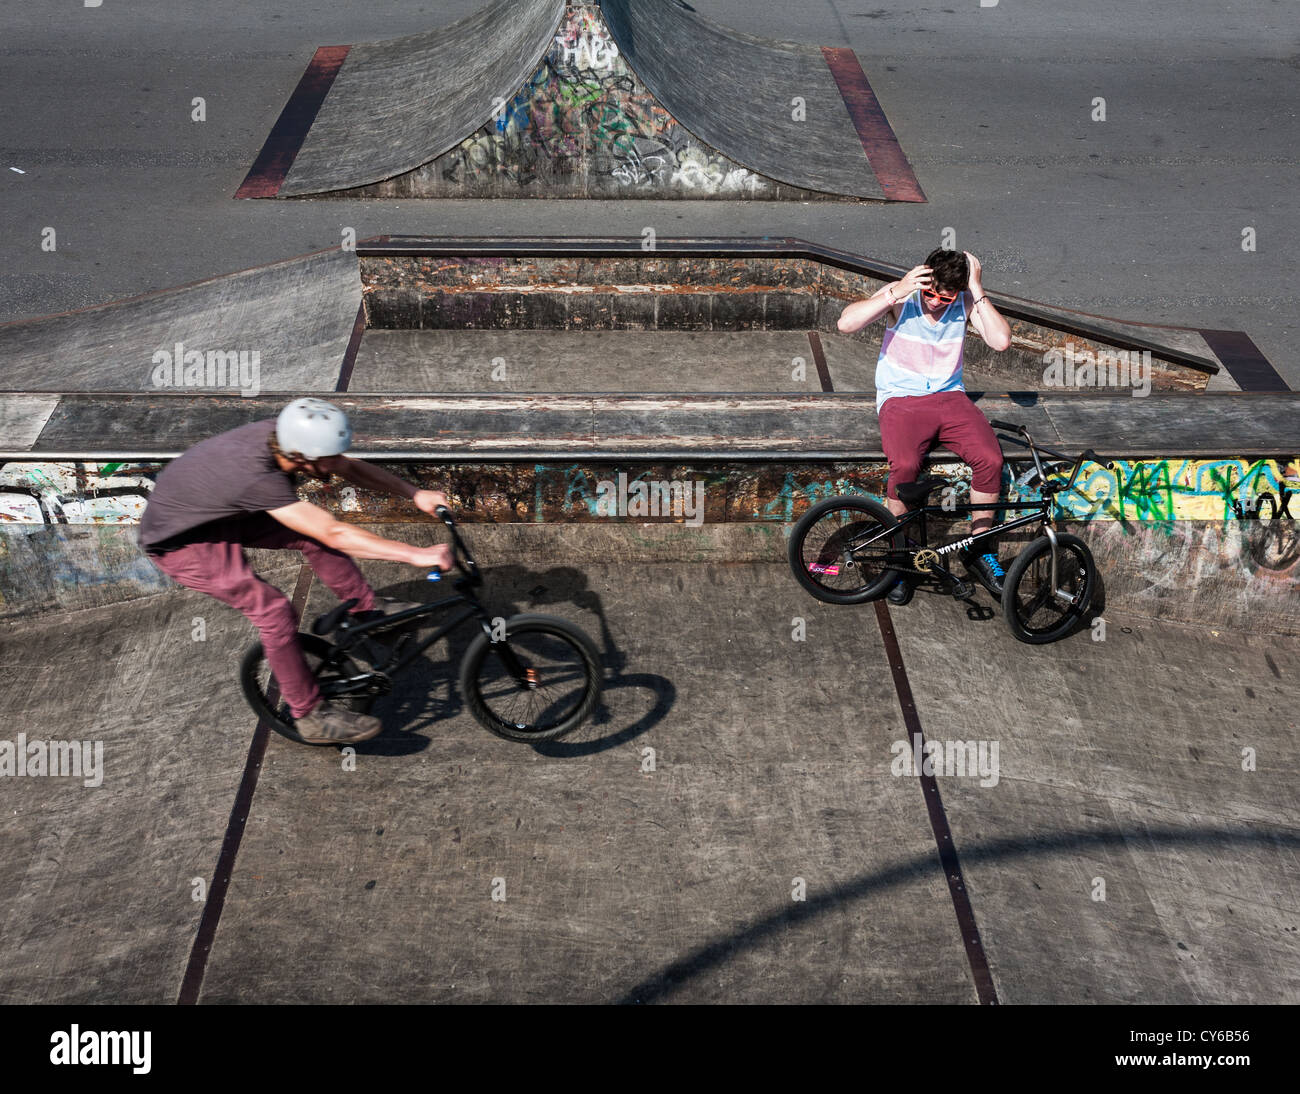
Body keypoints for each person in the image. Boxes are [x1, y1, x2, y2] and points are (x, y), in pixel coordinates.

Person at [138, 398, 454, 744]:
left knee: (312, 537)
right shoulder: (258, 478)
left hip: (217, 511)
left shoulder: (286, 435)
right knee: (273, 610)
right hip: (181, 541)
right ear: (302, 457)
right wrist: (416, 555)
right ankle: (308, 715)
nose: (336, 464)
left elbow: (349, 467)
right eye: (328, 459)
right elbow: (333, 532)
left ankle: (367, 615)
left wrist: (414, 492)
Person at [837, 249, 1013, 605]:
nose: (934, 302)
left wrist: (976, 288)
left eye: (943, 297)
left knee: (990, 460)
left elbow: (1001, 341)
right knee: (904, 466)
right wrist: (897, 290)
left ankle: (979, 550)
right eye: (930, 292)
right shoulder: (903, 296)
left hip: (950, 398)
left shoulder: (964, 301)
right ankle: (899, 559)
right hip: (901, 398)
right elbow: (846, 323)